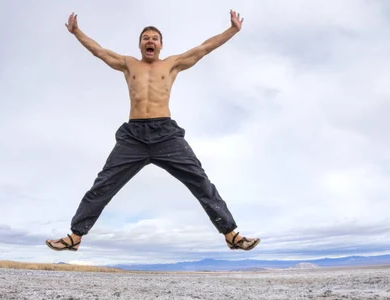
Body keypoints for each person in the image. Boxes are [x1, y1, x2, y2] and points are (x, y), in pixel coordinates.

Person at [46, 10, 260, 252]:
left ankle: (231, 234)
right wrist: (76, 32)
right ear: (140, 44)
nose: (150, 41)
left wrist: (232, 30)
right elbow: (99, 51)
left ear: (160, 44)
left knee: (200, 181)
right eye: (145, 37)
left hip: (166, 134)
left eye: (154, 38)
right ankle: (75, 236)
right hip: (133, 137)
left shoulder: (172, 64)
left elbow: (204, 48)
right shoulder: (128, 64)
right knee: (103, 184)